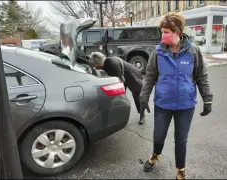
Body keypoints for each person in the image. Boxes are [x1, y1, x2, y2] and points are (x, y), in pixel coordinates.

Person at [139, 12, 213, 179]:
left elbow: (202, 76)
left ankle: (180, 169)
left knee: (181, 141)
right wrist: (144, 96)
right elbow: (150, 76)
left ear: (177, 32)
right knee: (158, 137)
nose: (162, 35)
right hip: (163, 104)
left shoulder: (193, 51)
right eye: (162, 31)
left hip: (185, 106)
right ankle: (156, 154)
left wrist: (207, 98)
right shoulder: (158, 52)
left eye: (166, 32)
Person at [88, 52, 150, 125]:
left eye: (96, 65)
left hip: (131, 76)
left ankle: (142, 115)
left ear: (99, 62)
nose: (95, 67)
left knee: (137, 96)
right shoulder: (103, 63)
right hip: (122, 75)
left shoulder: (112, 64)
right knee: (121, 97)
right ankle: (122, 116)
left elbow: (120, 81)